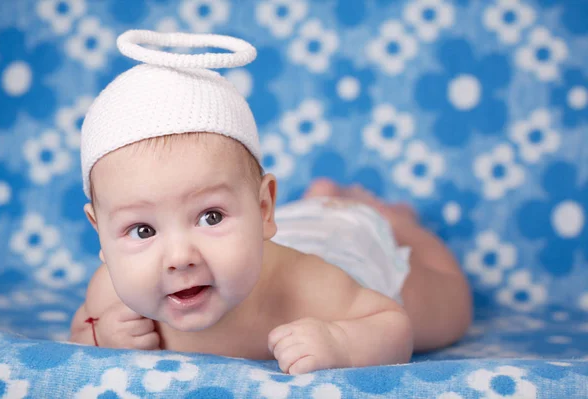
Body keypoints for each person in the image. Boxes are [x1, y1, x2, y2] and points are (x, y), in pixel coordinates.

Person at [69, 30, 472, 375]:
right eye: (143, 230)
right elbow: (80, 328)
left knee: (449, 315)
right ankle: (322, 199)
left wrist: (341, 342)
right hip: (290, 227)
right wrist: (98, 335)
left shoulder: (306, 286)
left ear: (264, 209)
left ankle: (395, 221)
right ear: (100, 234)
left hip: (350, 243)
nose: (179, 257)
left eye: (210, 217)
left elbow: (391, 324)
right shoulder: (111, 295)